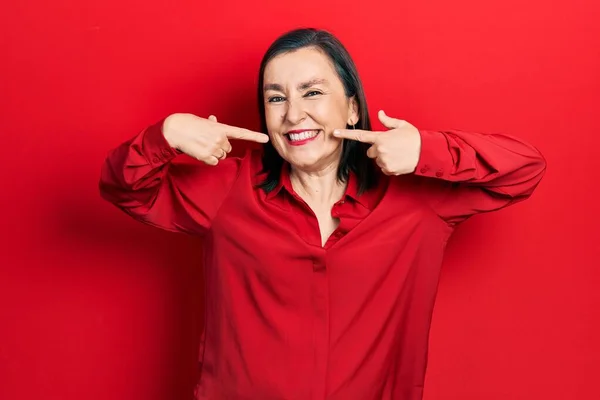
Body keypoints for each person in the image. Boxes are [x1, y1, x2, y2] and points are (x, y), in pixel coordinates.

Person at [99, 28, 546, 400]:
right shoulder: (227, 191)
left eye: (312, 92)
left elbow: (525, 169)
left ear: (352, 107)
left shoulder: (417, 199)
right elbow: (124, 187)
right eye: (276, 99)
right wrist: (170, 132)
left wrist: (427, 150)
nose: (294, 114)